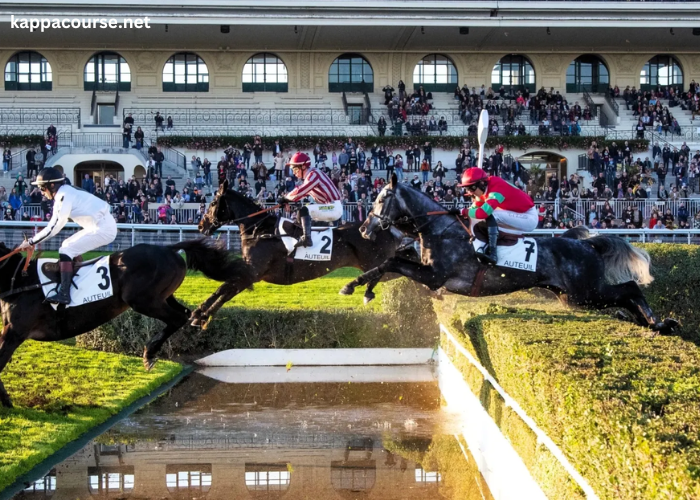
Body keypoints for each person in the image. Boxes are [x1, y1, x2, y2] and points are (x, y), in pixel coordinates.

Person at [17, 168, 118, 305]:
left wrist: (30, 242)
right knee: (66, 245)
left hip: (103, 228)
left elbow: (53, 228)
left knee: (66, 250)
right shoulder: (66, 191)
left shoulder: (63, 196)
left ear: (52, 185)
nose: (41, 192)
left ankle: (64, 294)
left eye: (42, 188)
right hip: (100, 225)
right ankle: (74, 277)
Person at [457, 167, 537, 265]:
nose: (470, 192)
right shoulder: (483, 189)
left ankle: (493, 254)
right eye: (467, 188)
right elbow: (474, 210)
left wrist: (464, 211)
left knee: (492, 214)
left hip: (528, 217)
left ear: (481, 183)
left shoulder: (496, 187)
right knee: (479, 217)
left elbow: (483, 213)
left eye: (472, 188)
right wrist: (460, 213)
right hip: (516, 214)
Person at [277, 152, 342, 248]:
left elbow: (301, 190)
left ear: (303, 167)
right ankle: (301, 237)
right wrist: (288, 201)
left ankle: (307, 239)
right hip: (328, 207)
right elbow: (301, 194)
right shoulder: (311, 176)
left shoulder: (313, 174)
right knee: (302, 211)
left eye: (295, 169)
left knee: (305, 210)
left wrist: (285, 198)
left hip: (333, 208)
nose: (294, 173)